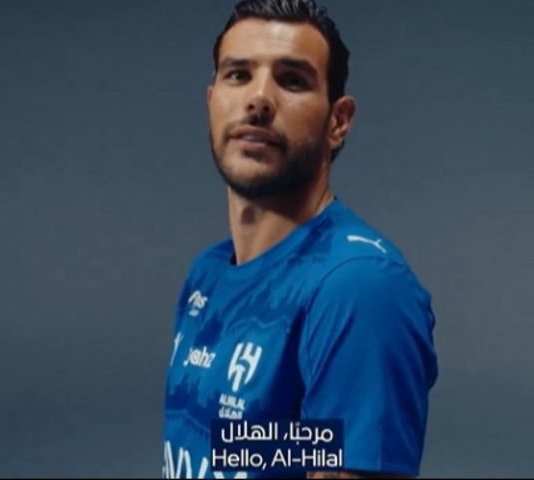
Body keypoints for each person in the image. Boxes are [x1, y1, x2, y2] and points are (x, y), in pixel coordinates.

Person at [162, 0, 439, 478]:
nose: (258, 99)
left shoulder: (358, 288)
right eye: (238, 75)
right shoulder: (206, 273)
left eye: (292, 80)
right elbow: (238, 449)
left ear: (338, 121)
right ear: (211, 103)